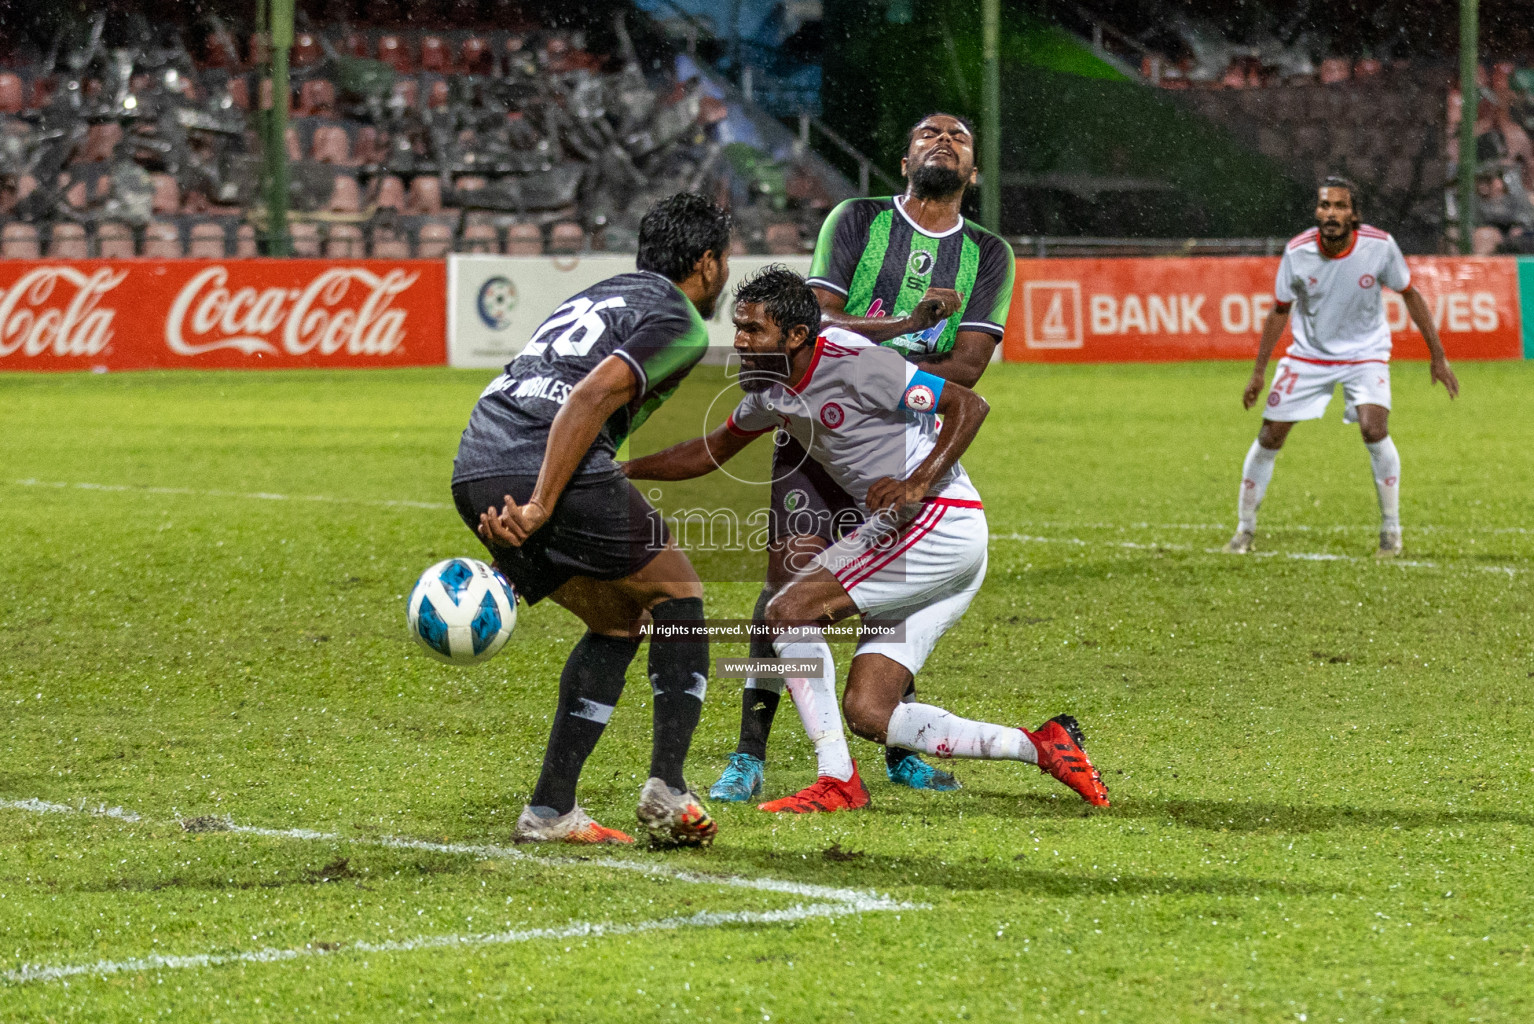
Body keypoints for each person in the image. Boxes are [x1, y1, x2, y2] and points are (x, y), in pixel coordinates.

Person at [625, 266, 1108, 813]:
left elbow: (968, 405)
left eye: (754, 330)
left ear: (796, 336)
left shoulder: (858, 366)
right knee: (870, 713)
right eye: (738, 328)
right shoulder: (769, 393)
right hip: (941, 543)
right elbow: (707, 450)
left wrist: (916, 482)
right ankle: (1040, 746)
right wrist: (621, 470)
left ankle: (836, 781)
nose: (739, 342)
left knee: (786, 613)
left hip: (935, 520)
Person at [712, 113, 1017, 803]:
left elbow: (968, 369)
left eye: (960, 137)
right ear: (904, 158)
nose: (943, 140)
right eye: (927, 133)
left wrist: (871, 362)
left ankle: (896, 744)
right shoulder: (856, 219)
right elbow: (809, 325)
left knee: (897, 589)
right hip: (814, 432)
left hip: (898, 434)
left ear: (973, 172)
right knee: (783, 593)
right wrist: (905, 334)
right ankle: (748, 754)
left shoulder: (989, 253)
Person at [452, 192, 732, 846]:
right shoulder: (680, 320)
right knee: (679, 590)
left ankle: (550, 811)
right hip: (544, 462)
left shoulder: (604, 294)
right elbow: (591, 394)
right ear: (708, 263)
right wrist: (543, 504)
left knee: (616, 617)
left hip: (477, 464)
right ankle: (669, 787)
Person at [1226, 177, 1460, 558]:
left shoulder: (1379, 246)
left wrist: (1438, 355)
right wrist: (1258, 372)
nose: (1330, 214)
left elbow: (1410, 295)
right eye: (1324, 206)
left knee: (1374, 427)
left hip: (1365, 353)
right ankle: (1244, 530)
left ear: (1354, 214)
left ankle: (1391, 531)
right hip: (1309, 354)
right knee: (1270, 436)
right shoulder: (1297, 252)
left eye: (1339, 206)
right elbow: (1279, 311)